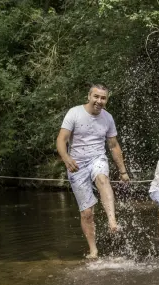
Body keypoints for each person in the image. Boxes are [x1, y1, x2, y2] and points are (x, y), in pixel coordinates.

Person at [56, 84, 130, 259]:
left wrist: (123, 171)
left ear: (107, 100)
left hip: (97, 158)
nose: (99, 101)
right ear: (89, 96)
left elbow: (113, 145)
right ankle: (93, 250)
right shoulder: (74, 113)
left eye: (103, 98)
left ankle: (112, 220)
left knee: (103, 178)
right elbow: (61, 139)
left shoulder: (108, 118)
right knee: (87, 213)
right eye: (96, 97)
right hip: (76, 164)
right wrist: (66, 159)